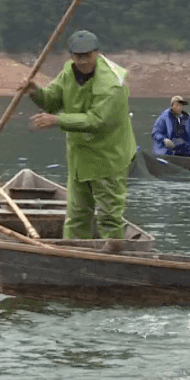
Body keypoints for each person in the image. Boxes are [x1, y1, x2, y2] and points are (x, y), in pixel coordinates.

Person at [20, 29, 136, 240]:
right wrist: (34, 91)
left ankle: (115, 255)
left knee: (110, 215)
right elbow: (51, 101)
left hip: (108, 156)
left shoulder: (112, 83)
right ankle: (72, 255)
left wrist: (57, 120)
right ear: (71, 56)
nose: (83, 62)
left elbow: (96, 120)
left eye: (87, 56)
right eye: (78, 56)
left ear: (97, 54)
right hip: (80, 157)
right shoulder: (68, 71)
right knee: (77, 215)